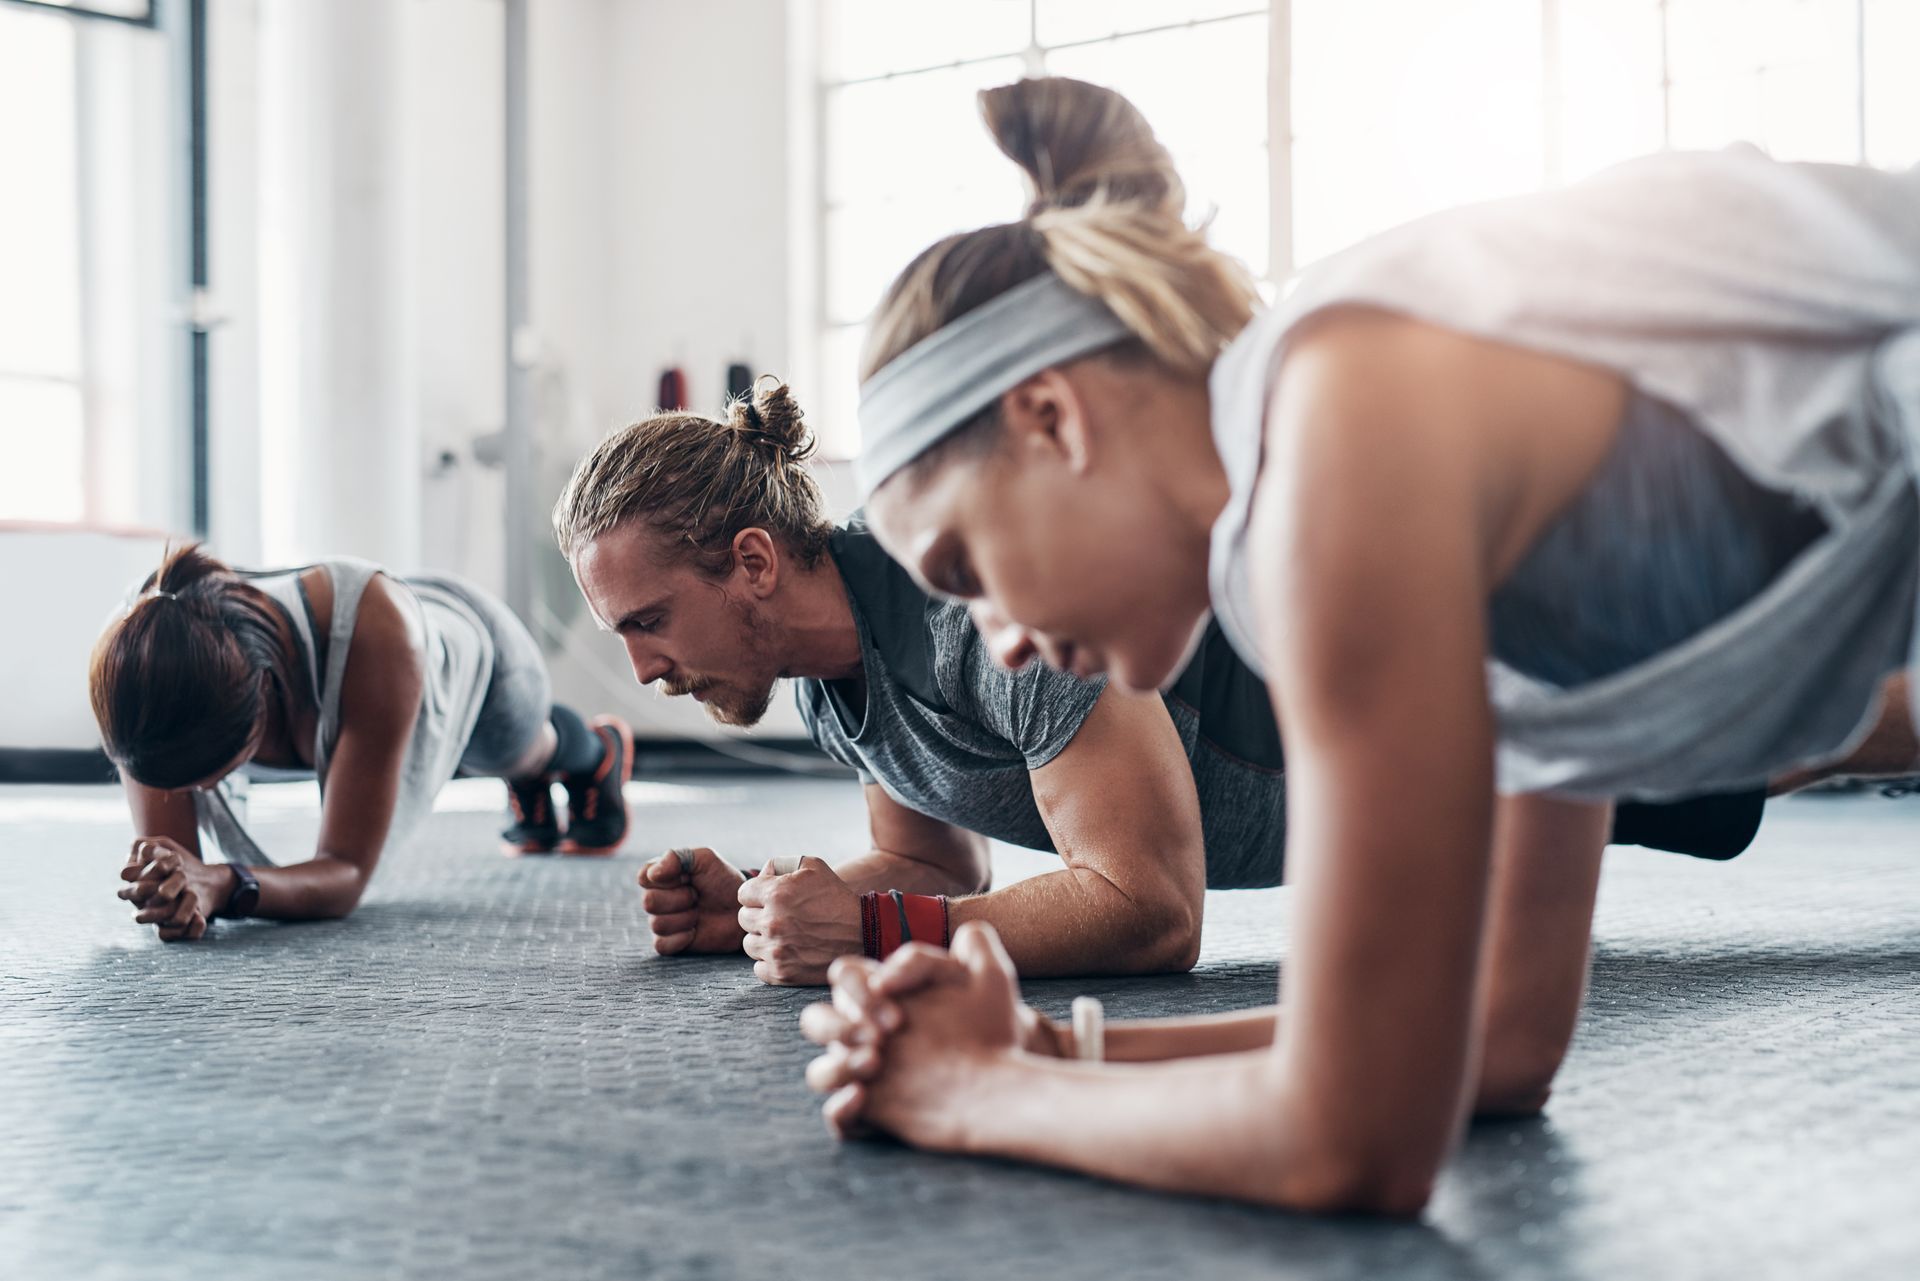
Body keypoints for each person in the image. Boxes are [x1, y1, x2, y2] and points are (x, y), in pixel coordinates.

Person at [800, 77, 1920, 1213]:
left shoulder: (1334, 426)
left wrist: (969, 1096)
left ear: (1052, 418)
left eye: (965, 573)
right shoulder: (1359, 503)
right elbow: (1498, 1033)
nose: (999, 641)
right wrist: (1051, 1056)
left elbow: (1356, 1138)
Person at [553, 382, 1772, 985]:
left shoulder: (974, 602)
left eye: (650, 621)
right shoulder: (833, 685)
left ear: (752, 563)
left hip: (1462, 692)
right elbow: (935, 868)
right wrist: (760, 910)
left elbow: (1150, 911)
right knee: (1772, 745)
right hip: (1420, 800)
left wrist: (871, 933)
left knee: (1802, 720)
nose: (645, 669)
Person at [94, 544, 634, 941]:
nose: (203, 789)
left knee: (512, 752)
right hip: (384, 656)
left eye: (210, 774)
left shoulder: (378, 642)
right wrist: (171, 885)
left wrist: (225, 886)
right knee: (414, 748)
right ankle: (533, 786)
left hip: (477, 652)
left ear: (262, 694)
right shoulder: (140, 662)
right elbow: (179, 864)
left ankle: (593, 752)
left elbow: (344, 873)